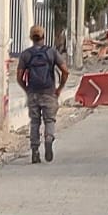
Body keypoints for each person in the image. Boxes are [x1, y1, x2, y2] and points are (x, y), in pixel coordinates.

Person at [17, 25, 69, 164]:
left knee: (34, 122)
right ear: (44, 37)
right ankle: (48, 138)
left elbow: (19, 77)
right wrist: (60, 88)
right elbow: (65, 71)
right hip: (49, 92)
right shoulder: (51, 52)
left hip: (33, 92)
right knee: (49, 120)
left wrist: (27, 89)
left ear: (31, 37)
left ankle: (34, 151)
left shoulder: (26, 54)